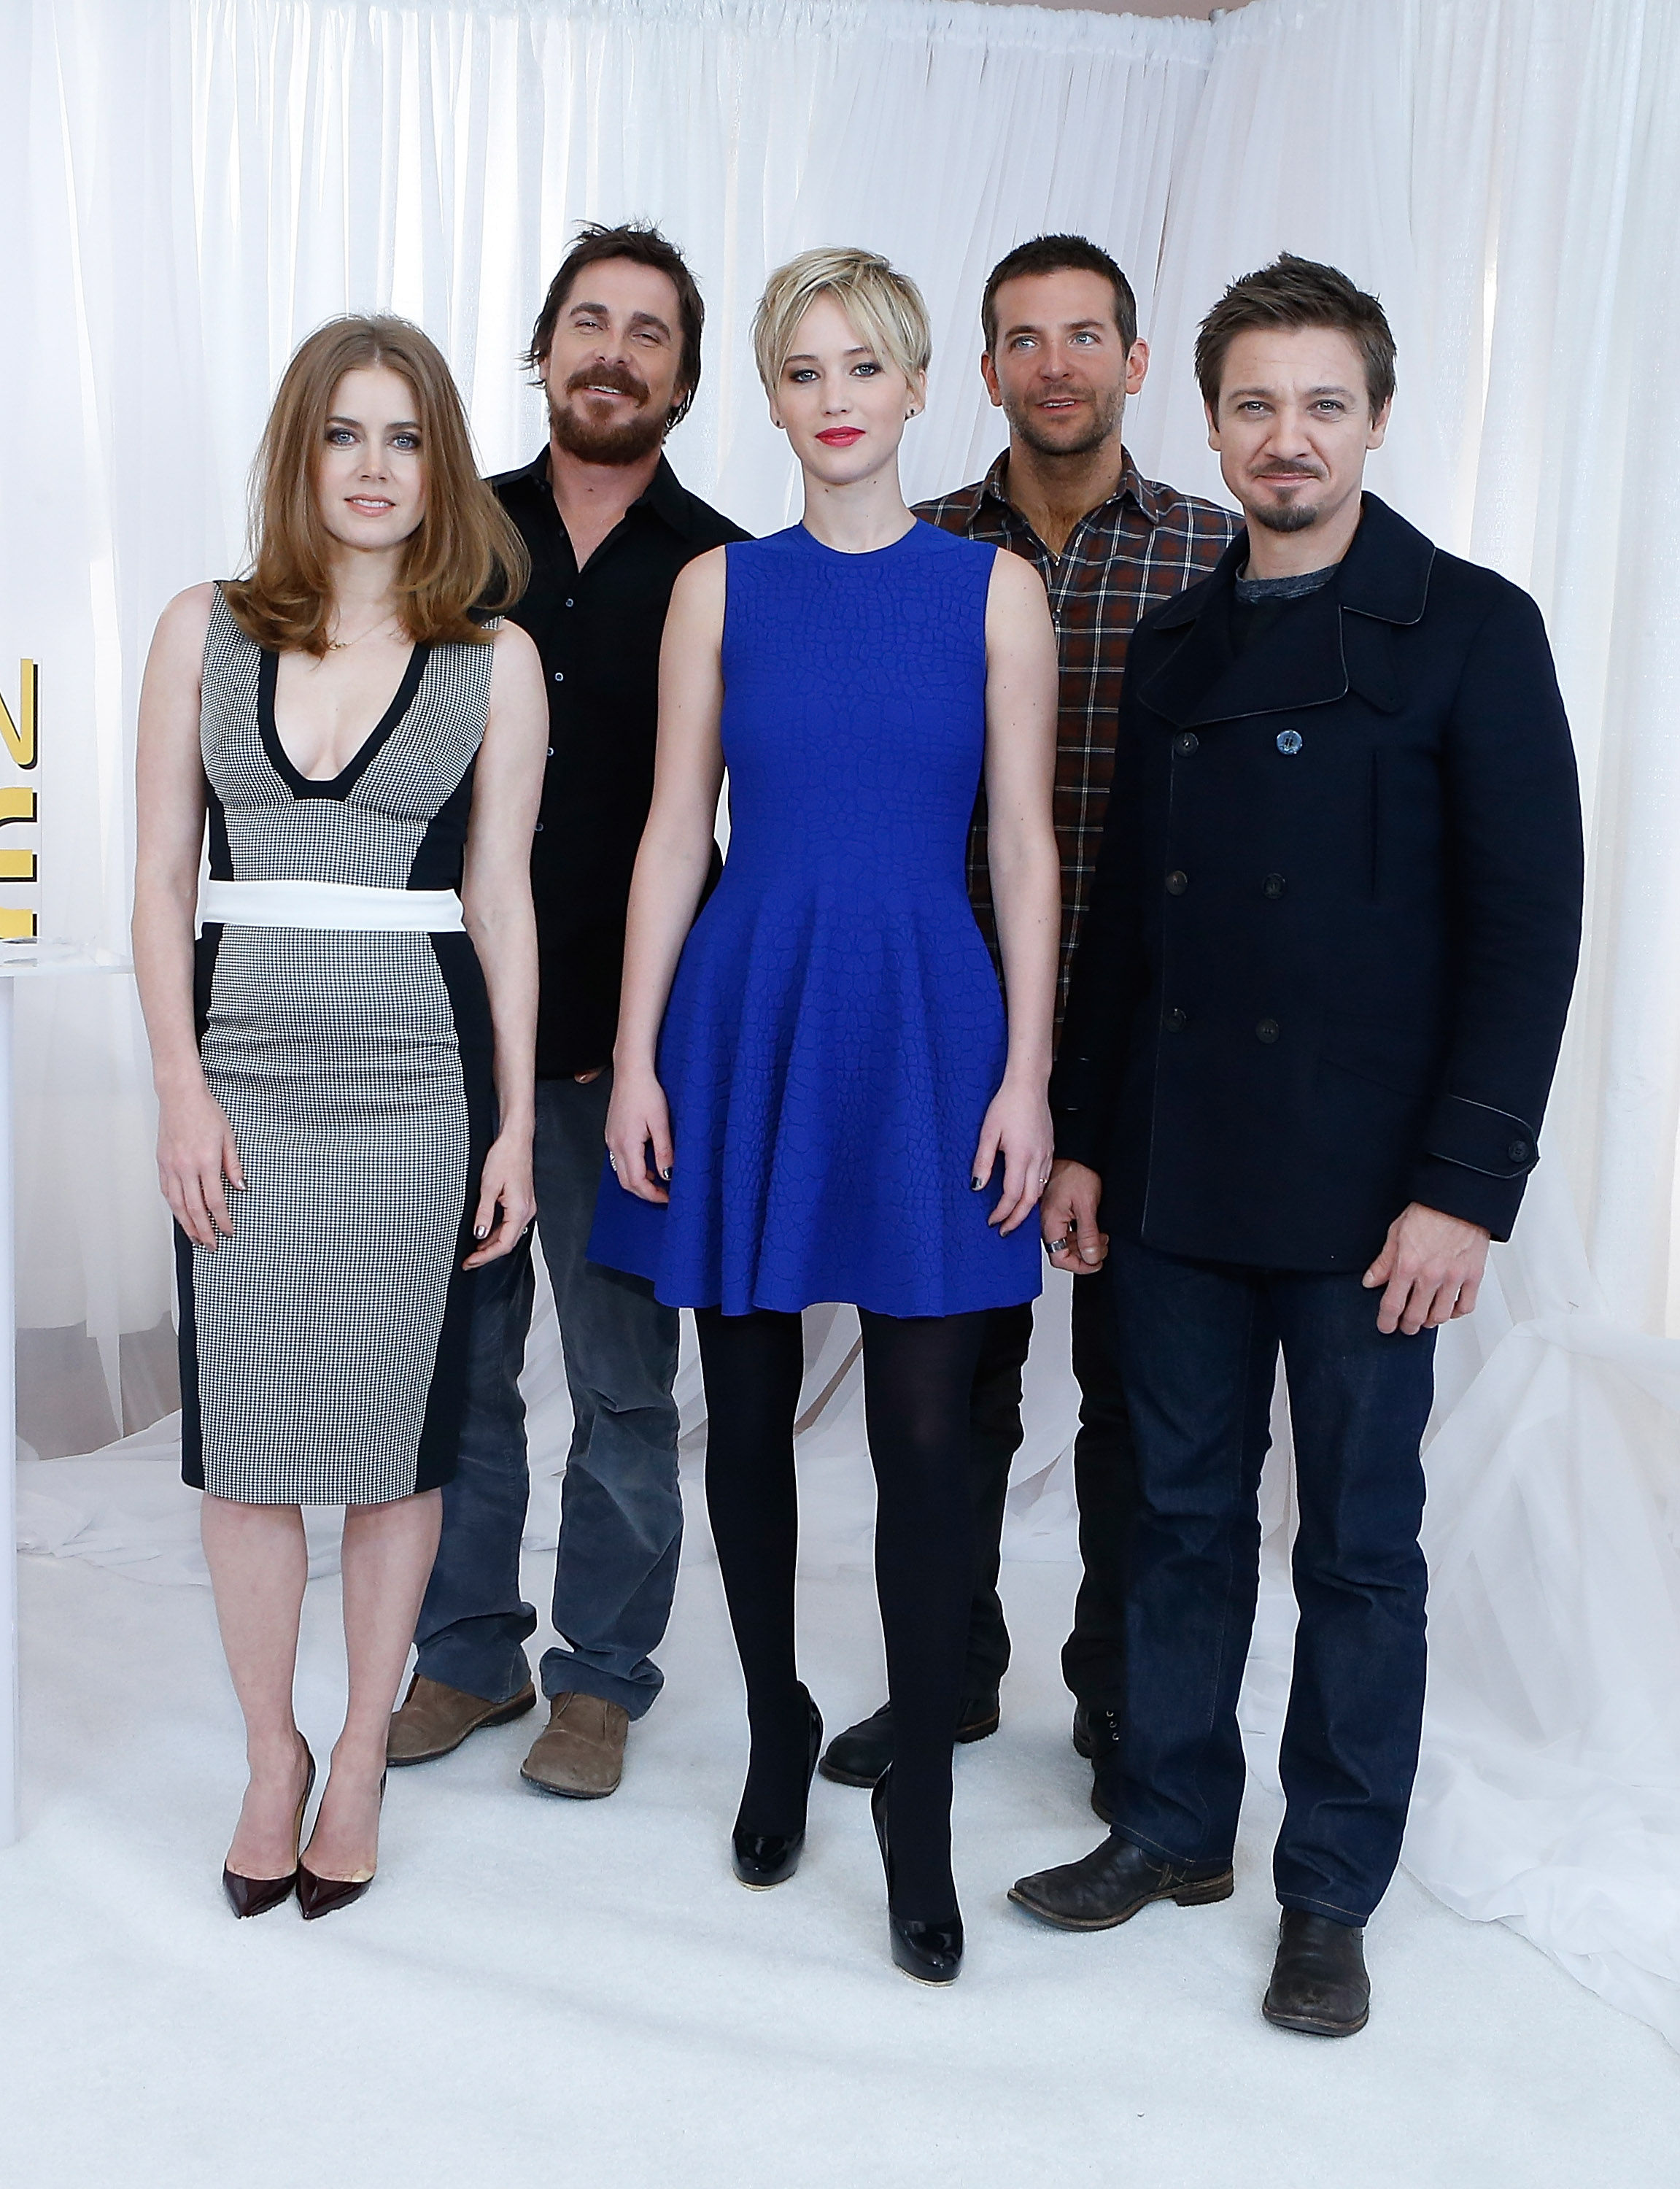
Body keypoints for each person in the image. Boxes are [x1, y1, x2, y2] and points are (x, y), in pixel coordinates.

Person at [1008, 255, 1583, 2036]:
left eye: (1324, 403)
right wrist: (1086, 1140)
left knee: (1355, 1550)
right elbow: (1126, 922)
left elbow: (1530, 933)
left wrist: (1463, 1190)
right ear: (1209, 425)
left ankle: (1328, 1890)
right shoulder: (1177, 641)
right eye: (1255, 404)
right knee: (1176, 1518)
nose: (1289, 437)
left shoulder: (1474, 628)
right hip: (1180, 1171)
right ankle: (1173, 1822)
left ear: (1378, 420)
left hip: (1372, 1193)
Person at [591, 247, 1060, 1983]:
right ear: (773, 400)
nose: (838, 395)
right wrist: (637, 1055)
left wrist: (1028, 1072)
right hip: (750, 1008)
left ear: (923, 387)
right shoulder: (718, 588)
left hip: (931, 1021)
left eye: (867, 364)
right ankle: (780, 1717)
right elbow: (672, 831)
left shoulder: (995, 591)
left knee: (932, 1432)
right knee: (745, 1402)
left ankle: (917, 1789)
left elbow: (1026, 846)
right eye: (805, 369)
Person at [132, 315, 548, 1918]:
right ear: (300, 453)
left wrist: (516, 1129)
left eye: (406, 436)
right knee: (245, 1451)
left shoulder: (493, 660)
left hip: (414, 1089)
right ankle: (271, 1756)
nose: (374, 468)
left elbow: (499, 902)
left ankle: (360, 1754)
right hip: (239, 1075)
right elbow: (162, 879)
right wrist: (178, 1087)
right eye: (344, 433)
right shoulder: (203, 629)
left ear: (442, 464)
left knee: (393, 1447)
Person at [817, 236, 1237, 1804]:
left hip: (1156, 1036)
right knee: (948, 1382)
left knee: (1141, 1390)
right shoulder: (915, 547)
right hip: (947, 1022)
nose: (1055, 364)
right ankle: (949, 1664)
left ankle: (1120, 1691)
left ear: (1137, 362)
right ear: (984, 371)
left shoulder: (1212, 555)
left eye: (1086, 336)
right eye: (1024, 338)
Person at [386, 224, 748, 1800]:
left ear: (685, 376)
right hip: (448, 1035)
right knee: (459, 1371)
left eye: (649, 332)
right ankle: (466, 1650)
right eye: (589, 322)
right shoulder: (445, 537)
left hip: (633, 1050)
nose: (615, 351)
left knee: (621, 1379)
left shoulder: (726, 566)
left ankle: (601, 1679)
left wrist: (676, 1046)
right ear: (543, 351)